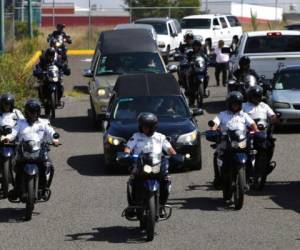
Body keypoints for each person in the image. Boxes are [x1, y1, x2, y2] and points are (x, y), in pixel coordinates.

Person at [124, 112, 177, 217]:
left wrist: (174, 156)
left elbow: (170, 150)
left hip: (157, 165)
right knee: (132, 180)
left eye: (147, 126)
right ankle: (133, 205)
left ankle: (161, 206)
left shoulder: (160, 137)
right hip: (140, 165)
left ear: (153, 127)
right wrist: (126, 154)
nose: (144, 128)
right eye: (142, 125)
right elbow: (128, 148)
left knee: (166, 180)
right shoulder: (136, 136)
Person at [7, 99, 60, 201]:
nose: (33, 114)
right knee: (15, 165)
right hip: (23, 150)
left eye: (35, 112)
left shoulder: (44, 122)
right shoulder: (19, 123)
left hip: (40, 150)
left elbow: (52, 132)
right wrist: (8, 138)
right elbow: (13, 133)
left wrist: (55, 139)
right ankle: (17, 189)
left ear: (38, 112)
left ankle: (44, 188)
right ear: (27, 112)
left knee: (49, 166)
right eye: (31, 112)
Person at [210, 91, 258, 188]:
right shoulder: (222, 114)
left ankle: (250, 176)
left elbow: (252, 124)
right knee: (217, 154)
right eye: (233, 103)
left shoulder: (244, 115)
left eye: (238, 103)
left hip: (241, 141)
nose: (235, 105)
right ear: (229, 104)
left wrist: (256, 130)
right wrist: (213, 129)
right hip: (226, 141)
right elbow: (215, 123)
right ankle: (218, 177)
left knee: (251, 153)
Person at [243, 86, 277, 174]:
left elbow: (272, 115)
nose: (257, 98)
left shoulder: (264, 105)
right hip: (247, 132)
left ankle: (266, 164)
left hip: (263, 131)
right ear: (250, 96)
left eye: (259, 96)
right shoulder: (243, 106)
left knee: (270, 144)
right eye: (255, 96)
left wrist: (274, 118)